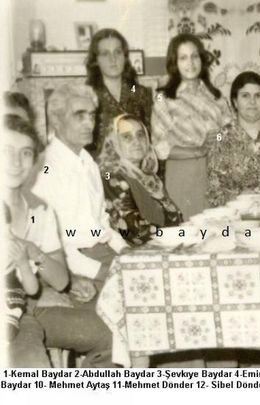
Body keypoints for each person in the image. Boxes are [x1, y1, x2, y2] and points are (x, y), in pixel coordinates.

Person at [4, 114, 114, 368]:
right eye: (6, 151)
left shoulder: (40, 210)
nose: (16, 162)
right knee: (31, 364)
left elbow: (61, 280)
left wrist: (33, 252)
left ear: (34, 160)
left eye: (25, 153)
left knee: (115, 335)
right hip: (11, 312)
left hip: (30, 310)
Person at [32, 83, 128, 283]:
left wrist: (124, 250)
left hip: (103, 253)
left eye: (92, 116)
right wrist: (98, 271)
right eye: (79, 116)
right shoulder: (44, 169)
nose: (89, 124)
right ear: (56, 120)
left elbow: (101, 222)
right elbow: (46, 243)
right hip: (72, 265)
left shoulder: (88, 162)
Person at [152, 33, 232, 218]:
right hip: (183, 174)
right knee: (189, 228)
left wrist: (217, 137)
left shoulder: (216, 96)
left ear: (202, 59)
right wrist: (199, 150)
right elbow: (160, 148)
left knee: (219, 227)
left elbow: (228, 131)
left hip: (218, 172)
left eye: (194, 56)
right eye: (183, 58)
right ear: (175, 62)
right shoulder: (164, 98)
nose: (190, 63)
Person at [207, 71, 260, 206]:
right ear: (235, 102)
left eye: (258, 96)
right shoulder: (221, 137)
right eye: (245, 96)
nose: (252, 102)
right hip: (238, 212)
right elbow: (214, 192)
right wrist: (240, 198)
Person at [98, 114, 182, 246]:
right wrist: (174, 235)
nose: (136, 141)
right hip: (131, 253)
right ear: (114, 142)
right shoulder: (111, 177)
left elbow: (175, 219)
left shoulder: (150, 178)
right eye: (127, 137)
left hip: (160, 246)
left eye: (140, 135)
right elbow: (134, 231)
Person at [85, 28, 152, 156]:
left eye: (117, 52)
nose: (113, 59)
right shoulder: (87, 96)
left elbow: (151, 140)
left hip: (138, 166)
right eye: (105, 54)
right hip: (101, 167)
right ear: (96, 61)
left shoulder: (139, 92)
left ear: (125, 57)